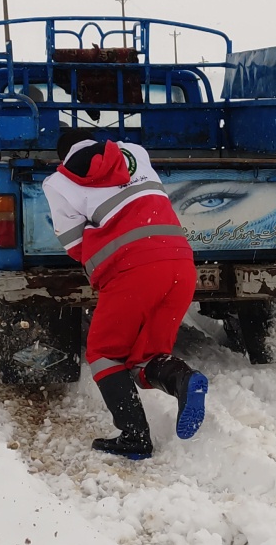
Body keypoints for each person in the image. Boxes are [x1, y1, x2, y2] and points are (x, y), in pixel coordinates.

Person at [43, 129, 209, 459]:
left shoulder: (58, 184)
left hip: (136, 272)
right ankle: (185, 381)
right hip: (181, 264)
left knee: (104, 353)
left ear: (63, 157)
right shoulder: (134, 152)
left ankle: (134, 437)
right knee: (145, 356)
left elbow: (76, 248)